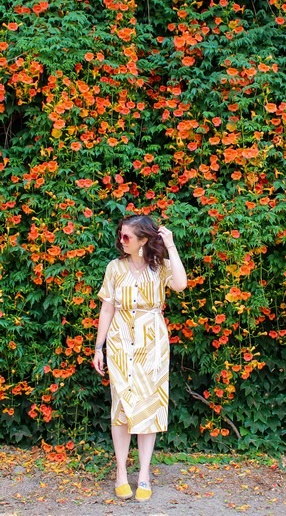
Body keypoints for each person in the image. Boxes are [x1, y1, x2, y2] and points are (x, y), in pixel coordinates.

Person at [93, 215, 187, 502]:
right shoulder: (114, 268)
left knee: (149, 406)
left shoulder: (158, 268)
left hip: (152, 344)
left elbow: (181, 284)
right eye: (120, 235)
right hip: (121, 342)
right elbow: (107, 309)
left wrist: (171, 247)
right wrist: (99, 347)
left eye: (127, 237)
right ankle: (121, 472)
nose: (122, 241)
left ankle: (144, 474)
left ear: (143, 240)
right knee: (120, 406)